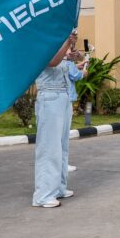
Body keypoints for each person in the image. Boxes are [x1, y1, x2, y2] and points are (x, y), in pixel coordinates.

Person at [33, 31, 78, 208]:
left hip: (63, 95)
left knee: (61, 147)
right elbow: (51, 62)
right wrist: (67, 43)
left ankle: (58, 188)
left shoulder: (56, 40)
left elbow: (62, 61)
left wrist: (71, 53)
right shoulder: (39, 40)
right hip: (49, 96)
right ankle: (43, 195)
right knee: (49, 147)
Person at [62, 47, 87, 175]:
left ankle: (61, 164)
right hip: (66, 99)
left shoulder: (61, 60)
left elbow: (69, 69)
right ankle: (63, 164)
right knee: (64, 135)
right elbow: (75, 75)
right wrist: (84, 72)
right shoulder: (66, 60)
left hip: (60, 99)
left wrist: (76, 65)